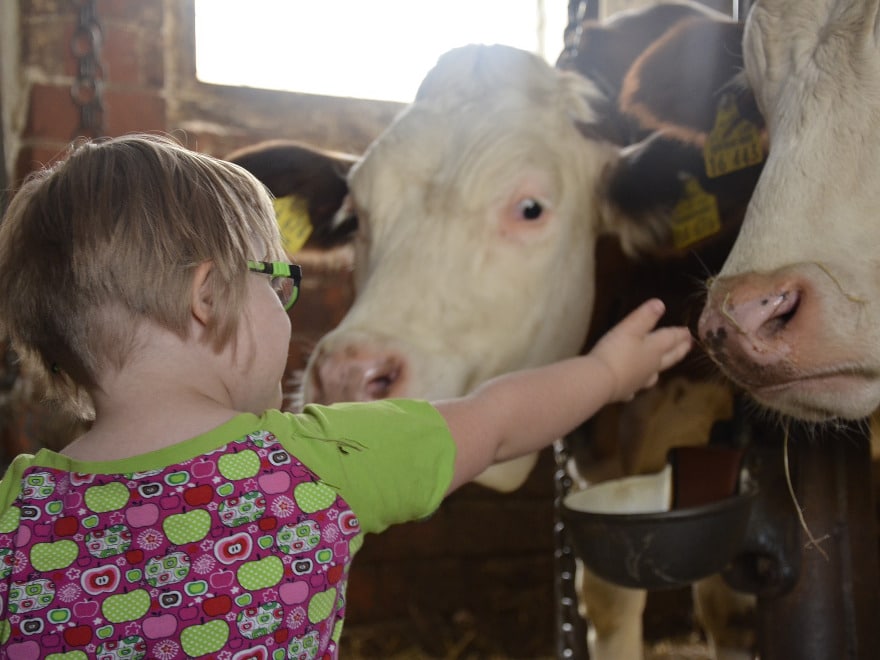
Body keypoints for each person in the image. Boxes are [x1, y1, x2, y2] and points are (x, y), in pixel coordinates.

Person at [0, 133, 691, 658]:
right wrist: (606, 373)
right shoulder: (317, 464)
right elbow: (502, 420)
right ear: (207, 298)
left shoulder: (16, 509)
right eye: (276, 281)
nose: (286, 305)